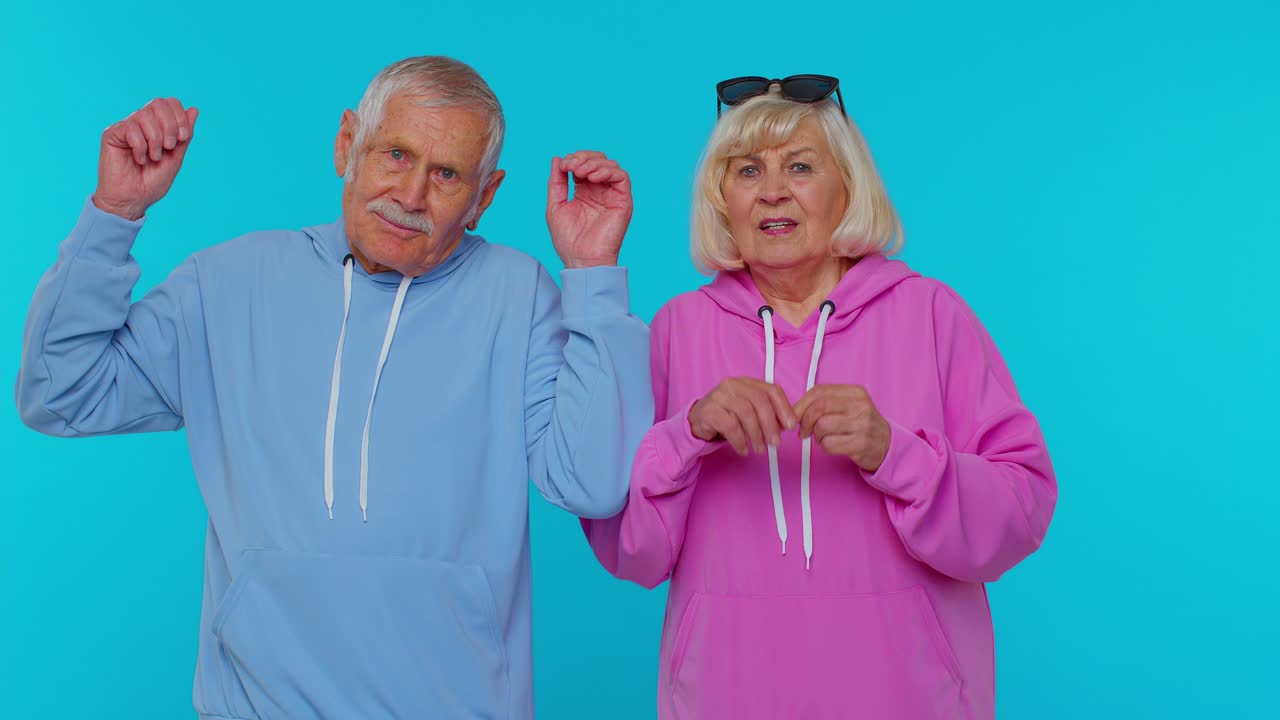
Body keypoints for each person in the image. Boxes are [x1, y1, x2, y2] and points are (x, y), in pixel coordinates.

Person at [16, 56, 652, 719]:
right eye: (396, 155)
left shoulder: (519, 295)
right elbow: (61, 392)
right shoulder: (228, 283)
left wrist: (593, 275)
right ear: (348, 143)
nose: (411, 195)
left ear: (483, 197)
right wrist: (115, 212)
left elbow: (594, 483)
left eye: (446, 174)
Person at [583, 75, 1057, 719]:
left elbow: (1021, 510)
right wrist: (687, 434)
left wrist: (896, 453)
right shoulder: (676, 330)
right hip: (727, 697)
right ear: (721, 197)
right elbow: (630, 549)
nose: (772, 190)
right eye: (747, 170)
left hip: (909, 699)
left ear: (848, 189)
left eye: (800, 167)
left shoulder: (931, 314)